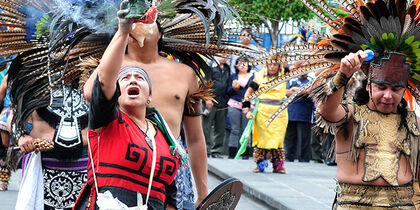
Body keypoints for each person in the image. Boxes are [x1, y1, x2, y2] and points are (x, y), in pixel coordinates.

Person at [83, 3, 211, 208]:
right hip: (124, 161)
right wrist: (122, 34)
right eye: (136, 20)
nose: (140, 23)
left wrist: (203, 192)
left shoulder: (185, 73)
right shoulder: (113, 64)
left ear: (160, 33)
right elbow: (92, 94)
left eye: (147, 20)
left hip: (169, 166)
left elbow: (195, 138)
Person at [73, 46, 182, 208]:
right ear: (115, 93)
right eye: (124, 78)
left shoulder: (164, 134)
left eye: (140, 77)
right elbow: (101, 84)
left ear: (149, 96)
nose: (133, 80)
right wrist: (122, 34)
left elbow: (170, 194)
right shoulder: (107, 119)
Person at [317, 49, 420, 208]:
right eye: (382, 87)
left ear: (404, 90)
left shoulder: (415, 123)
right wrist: (343, 74)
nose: (387, 95)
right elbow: (325, 111)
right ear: (368, 86)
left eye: (395, 89)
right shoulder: (351, 115)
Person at [242, 56, 288, 173]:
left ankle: (278, 166)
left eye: (275, 64)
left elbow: (299, 65)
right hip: (263, 111)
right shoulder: (259, 76)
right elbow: (249, 92)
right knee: (261, 139)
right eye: (270, 64)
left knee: (278, 139)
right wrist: (246, 108)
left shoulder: (285, 74)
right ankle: (260, 164)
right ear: (266, 65)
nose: (272, 66)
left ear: (279, 65)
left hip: (279, 112)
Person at [202, 53, 230, 159]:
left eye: (227, 55)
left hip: (222, 102)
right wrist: (207, 99)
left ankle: (216, 151)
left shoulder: (227, 68)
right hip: (210, 101)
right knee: (206, 127)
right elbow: (204, 83)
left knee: (220, 127)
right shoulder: (210, 66)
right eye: (223, 54)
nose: (225, 56)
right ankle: (206, 150)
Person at [226, 57, 253, 159]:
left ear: (249, 65)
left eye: (245, 63)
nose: (242, 65)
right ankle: (232, 152)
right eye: (240, 63)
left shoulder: (254, 77)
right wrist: (233, 88)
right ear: (236, 66)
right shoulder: (233, 76)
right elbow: (228, 92)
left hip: (248, 105)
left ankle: (245, 152)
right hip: (234, 104)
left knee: (246, 129)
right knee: (235, 129)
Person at [284, 73, 314, 162]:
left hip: (305, 113)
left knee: (304, 137)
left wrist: (295, 90)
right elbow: (285, 92)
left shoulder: (311, 80)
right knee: (290, 136)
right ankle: (289, 156)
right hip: (291, 112)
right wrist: (302, 91)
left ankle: (304, 158)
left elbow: (311, 91)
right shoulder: (291, 79)